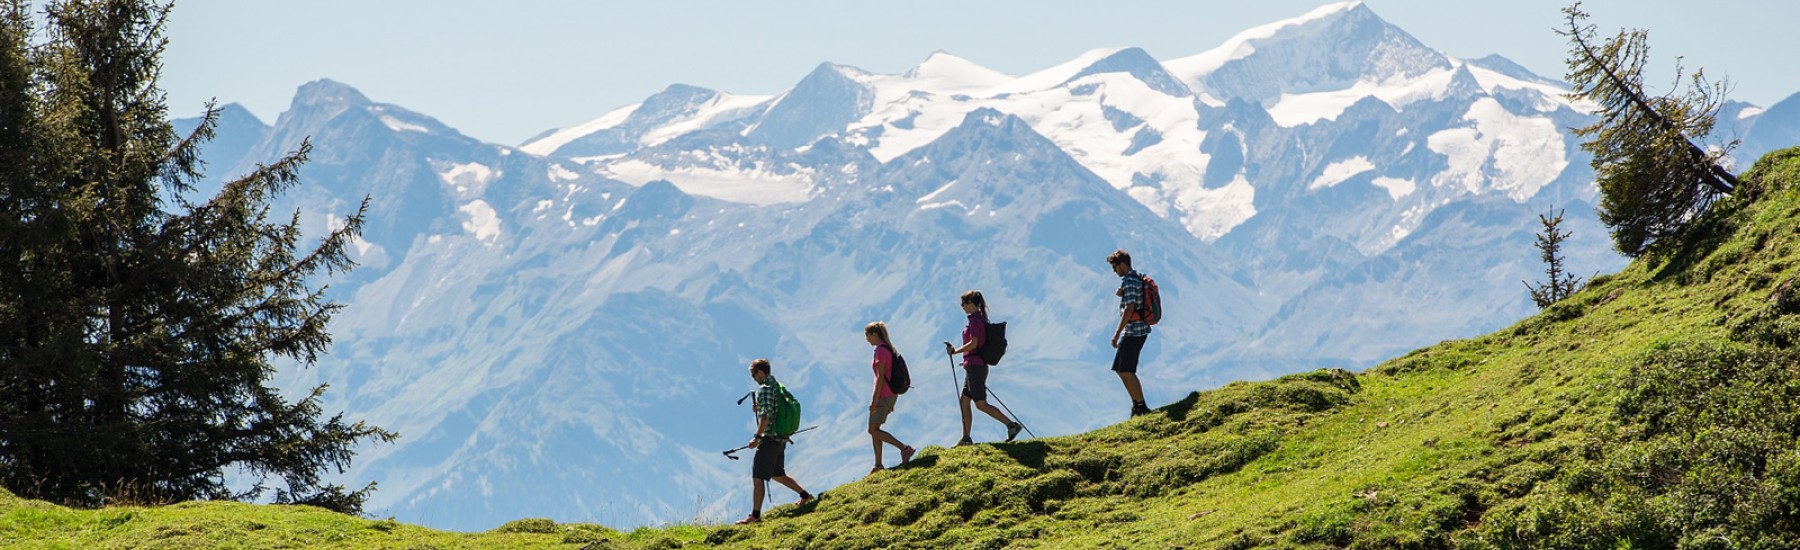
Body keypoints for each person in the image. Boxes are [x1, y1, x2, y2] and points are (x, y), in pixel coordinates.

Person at [737, 358, 814, 524]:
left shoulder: (764, 389)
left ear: (760, 372)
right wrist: (760, 409)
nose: (754, 378)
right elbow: (773, 410)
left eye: (753, 374)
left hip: (769, 439)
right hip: (781, 438)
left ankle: (755, 516)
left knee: (758, 477)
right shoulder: (777, 386)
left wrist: (757, 437)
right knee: (777, 473)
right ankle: (805, 496)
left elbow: (766, 417)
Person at [943, 290, 1023, 445]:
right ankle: (966, 438)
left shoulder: (974, 320)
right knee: (964, 401)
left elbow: (973, 343)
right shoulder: (980, 319)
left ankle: (1011, 425)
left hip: (975, 368)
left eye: (963, 304)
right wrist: (967, 359)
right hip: (974, 366)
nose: (962, 307)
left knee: (980, 404)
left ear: (971, 304)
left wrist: (955, 352)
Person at [864, 322, 916, 475]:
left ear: (875, 334)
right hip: (891, 395)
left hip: (883, 394)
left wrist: (874, 401)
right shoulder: (889, 349)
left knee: (872, 430)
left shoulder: (880, 351)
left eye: (867, 335)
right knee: (875, 429)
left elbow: (880, 378)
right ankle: (878, 464)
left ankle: (904, 448)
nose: (867, 339)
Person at [1107, 250, 1153, 417]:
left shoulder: (1129, 280)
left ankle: (1141, 407)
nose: (1114, 270)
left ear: (1123, 265)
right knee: (1121, 368)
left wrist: (1117, 332)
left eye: (1115, 266)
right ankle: (1137, 405)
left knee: (1126, 370)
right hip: (1137, 329)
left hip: (1134, 330)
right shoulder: (1135, 278)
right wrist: (1123, 292)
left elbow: (1130, 308)